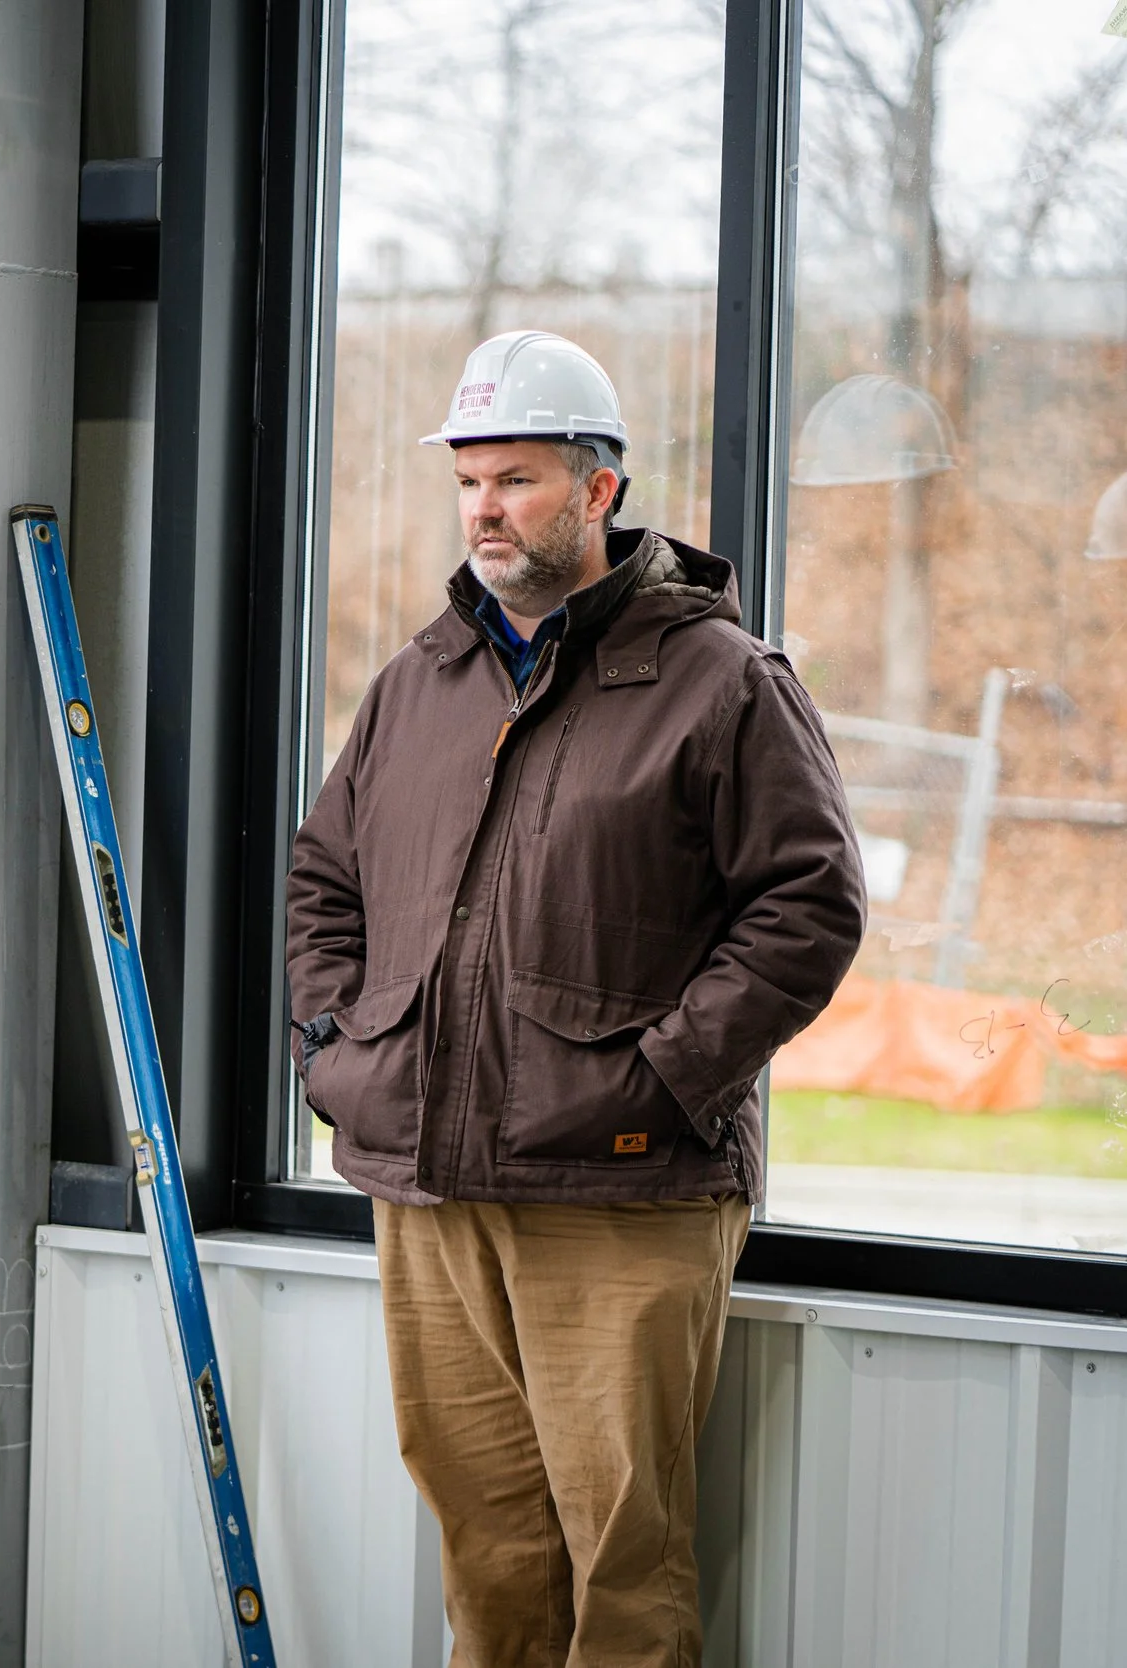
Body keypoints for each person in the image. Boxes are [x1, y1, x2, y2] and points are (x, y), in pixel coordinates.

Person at [285, 330, 863, 1664]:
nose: (486, 509)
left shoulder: (722, 679)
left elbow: (809, 907)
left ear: (600, 490)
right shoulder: (419, 683)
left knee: (624, 1561)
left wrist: (658, 1081)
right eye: (470, 482)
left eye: (520, 480)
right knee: (487, 1546)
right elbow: (327, 879)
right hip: (430, 1184)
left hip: (621, 1190)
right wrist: (338, 1049)